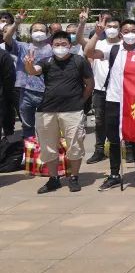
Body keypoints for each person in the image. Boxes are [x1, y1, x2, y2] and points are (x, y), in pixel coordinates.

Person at [83, 18, 135, 189]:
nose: (130, 34)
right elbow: (89, 52)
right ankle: (114, 174)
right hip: (113, 99)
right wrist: (97, 35)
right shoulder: (113, 49)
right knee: (113, 139)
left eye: (133, 31)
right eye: (126, 31)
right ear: (121, 33)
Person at [23, 31, 93, 193]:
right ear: (51, 46)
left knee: (75, 145)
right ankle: (53, 179)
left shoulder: (79, 61)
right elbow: (33, 71)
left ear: (70, 45)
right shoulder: (47, 61)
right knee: (48, 147)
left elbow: (89, 84)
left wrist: (81, 101)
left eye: (63, 44)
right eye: (56, 45)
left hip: (72, 110)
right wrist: (28, 64)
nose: (60, 47)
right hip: (47, 111)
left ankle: (74, 177)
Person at [4, 12, 53, 139]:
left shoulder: (52, 49)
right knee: (27, 125)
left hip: (46, 92)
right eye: (35, 30)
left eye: (42, 30)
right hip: (25, 92)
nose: (39, 32)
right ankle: (30, 149)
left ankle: (46, 149)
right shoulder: (22, 46)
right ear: (30, 33)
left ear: (47, 34)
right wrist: (16, 23)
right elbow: (7, 38)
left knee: (47, 126)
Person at [80, 13, 121, 164]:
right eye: (109, 26)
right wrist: (96, 33)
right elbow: (86, 50)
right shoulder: (99, 43)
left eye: (115, 27)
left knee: (121, 120)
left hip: (120, 90)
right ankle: (99, 150)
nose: (112, 29)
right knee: (100, 121)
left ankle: (126, 148)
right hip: (100, 89)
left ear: (120, 29)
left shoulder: (125, 45)